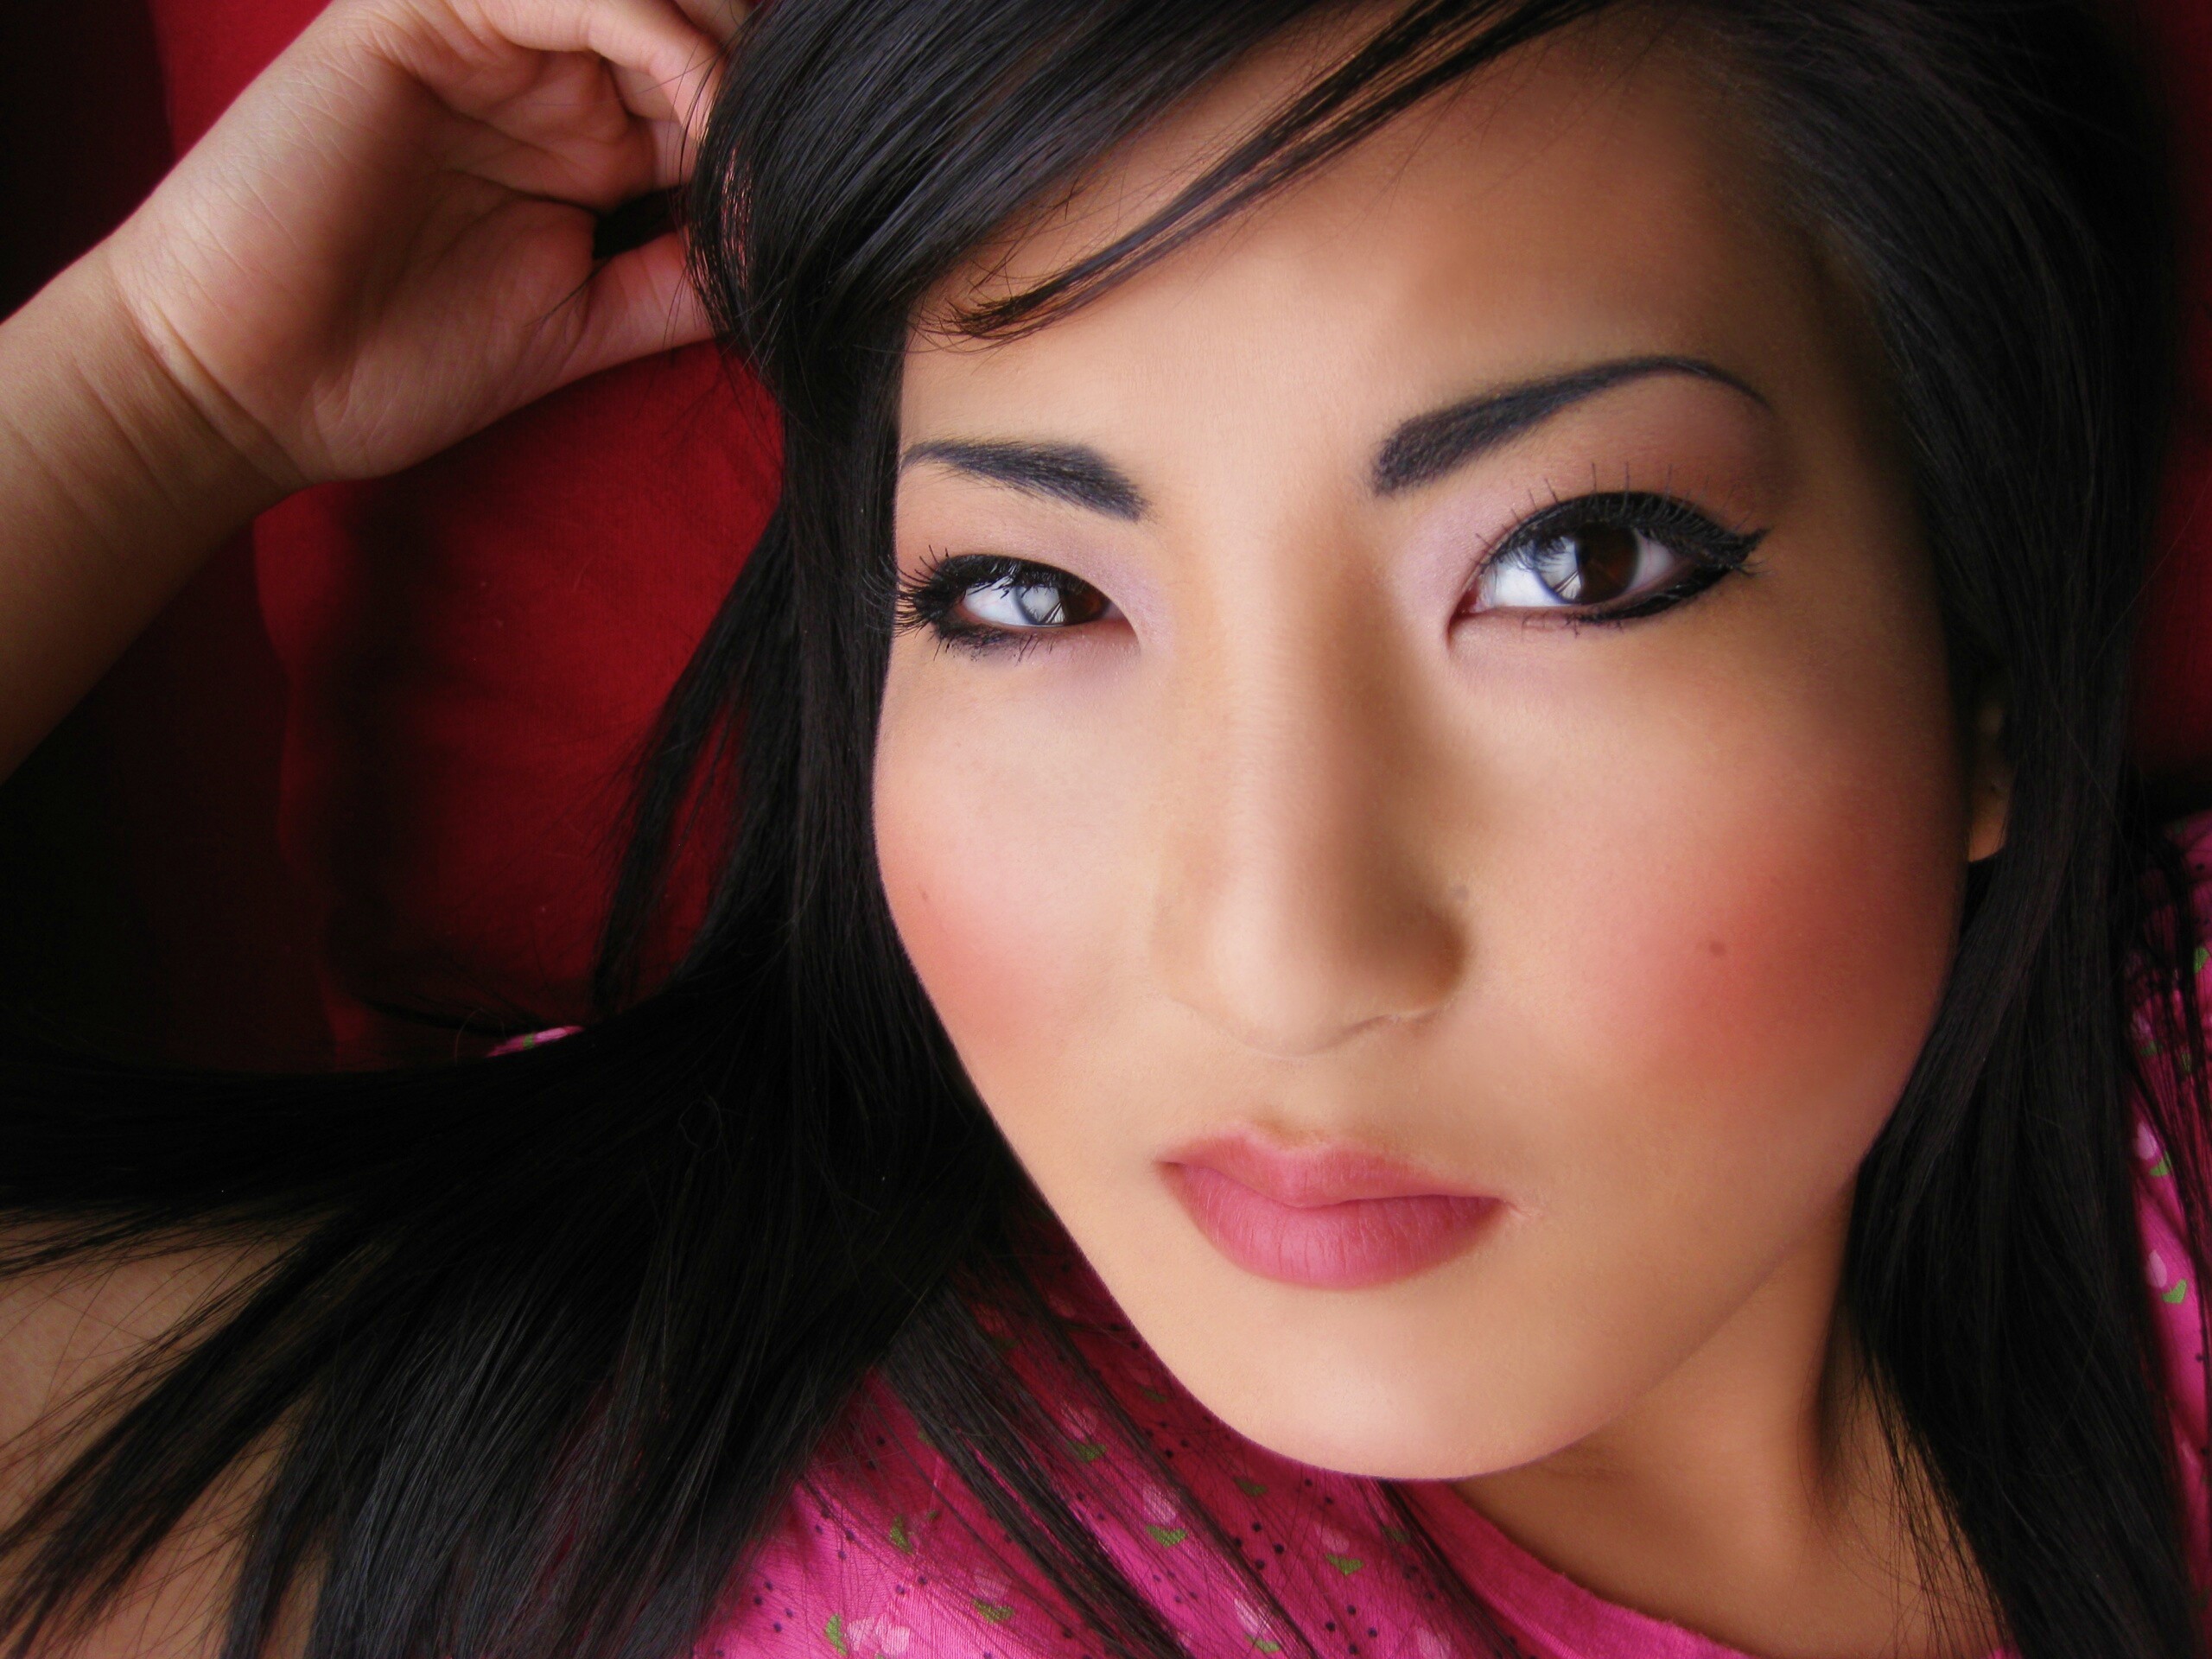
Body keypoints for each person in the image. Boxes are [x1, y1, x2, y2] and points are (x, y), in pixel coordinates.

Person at [0, 0, 2203, 1656]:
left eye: (1575, 564)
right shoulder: (663, 1493)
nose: (1273, 957)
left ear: (1980, 669)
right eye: (1024, 598)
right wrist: (147, 393)